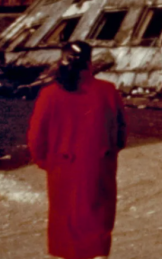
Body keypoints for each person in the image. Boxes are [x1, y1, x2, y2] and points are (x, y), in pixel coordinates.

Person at [27, 41, 127, 259]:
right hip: (98, 168)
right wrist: (105, 156)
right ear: (90, 63)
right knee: (97, 224)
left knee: (65, 225)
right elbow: (120, 134)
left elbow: (35, 138)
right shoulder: (108, 91)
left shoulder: (49, 94)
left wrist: (47, 163)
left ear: (61, 61)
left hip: (62, 169)